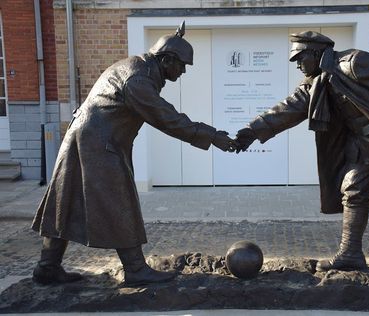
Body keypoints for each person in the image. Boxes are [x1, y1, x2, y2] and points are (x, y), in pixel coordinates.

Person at [234, 31, 369, 286]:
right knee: (353, 189)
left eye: (300, 58)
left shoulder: (353, 63)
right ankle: (350, 254)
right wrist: (252, 131)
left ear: (316, 52)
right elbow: (288, 108)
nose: (297, 64)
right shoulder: (316, 82)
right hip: (365, 150)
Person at [31, 22, 236, 286]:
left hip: (84, 138)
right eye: (182, 65)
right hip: (97, 145)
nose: (183, 71)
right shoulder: (138, 79)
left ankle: (47, 267)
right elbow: (166, 118)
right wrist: (212, 136)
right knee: (120, 201)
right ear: (167, 59)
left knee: (65, 200)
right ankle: (136, 269)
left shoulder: (140, 68)